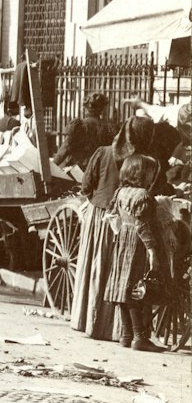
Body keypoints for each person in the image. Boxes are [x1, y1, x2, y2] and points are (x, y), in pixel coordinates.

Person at [70, 125, 132, 340]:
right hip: (125, 219)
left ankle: (88, 321)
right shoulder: (138, 160)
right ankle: (114, 329)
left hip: (99, 214)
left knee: (95, 264)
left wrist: (96, 199)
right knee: (116, 268)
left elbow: (86, 184)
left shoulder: (102, 152)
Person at [104, 154, 168, 350]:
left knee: (124, 285)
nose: (152, 177)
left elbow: (110, 214)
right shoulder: (143, 196)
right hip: (138, 245)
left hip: (123, 240)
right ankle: (140, 337)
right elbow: (143, 226)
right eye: (149, 173)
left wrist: (122, 230)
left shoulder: (120, 192)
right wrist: (152, 252)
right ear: (139, 173)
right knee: (137, 289)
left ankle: (126, 334)